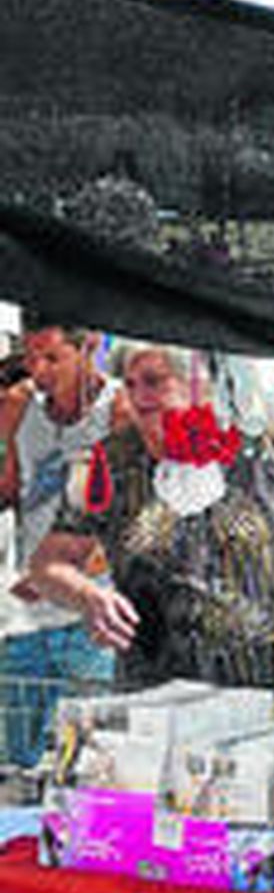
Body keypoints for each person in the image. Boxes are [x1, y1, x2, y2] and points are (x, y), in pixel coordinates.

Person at [25, 346, 274, 690]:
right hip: (155, 693)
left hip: (272, 682)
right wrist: (89, 597)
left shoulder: (264, 446)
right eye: (130, 384)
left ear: (198, 383)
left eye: (153, 381)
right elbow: (48, 564)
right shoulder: (111, 461)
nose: (138, 396)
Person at [0, 322, 120, 766]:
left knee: (91, 763)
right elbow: (12, 487)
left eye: (52, 358)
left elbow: (127, 518)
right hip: (25, 621)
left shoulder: (119, 408)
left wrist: (61, 577)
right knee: (16, 763)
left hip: (92, 619)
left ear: (87, 347)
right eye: (31, 357)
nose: (38, 370)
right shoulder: (21, 407)